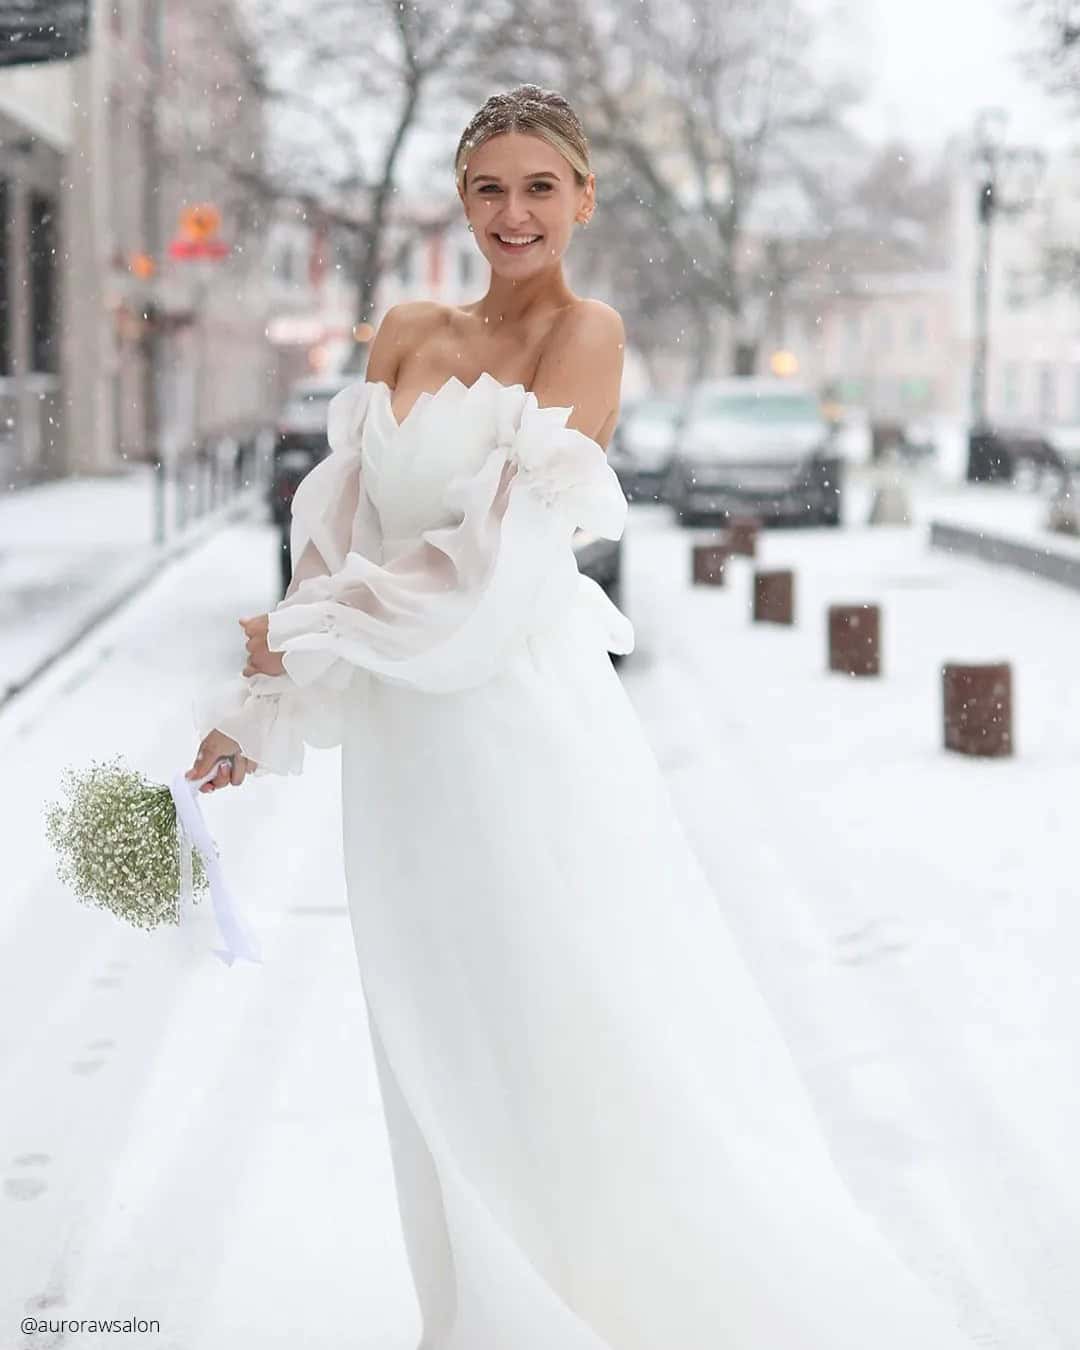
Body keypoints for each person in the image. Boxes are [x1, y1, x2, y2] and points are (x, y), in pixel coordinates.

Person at [187, 85, 977, 1349]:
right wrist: (257, 699)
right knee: (432, 1025)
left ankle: (578, 1307)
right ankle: (472, 1313)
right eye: (490, 187)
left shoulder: (590, 335)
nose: (514, 214)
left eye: (540, 187)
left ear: (584, 197)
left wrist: (319, 627)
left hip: (513, 723)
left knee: (550, 1017)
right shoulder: (403, 330)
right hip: (400, 752)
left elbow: (498, 562)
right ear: (462, 198)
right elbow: (332, 540)